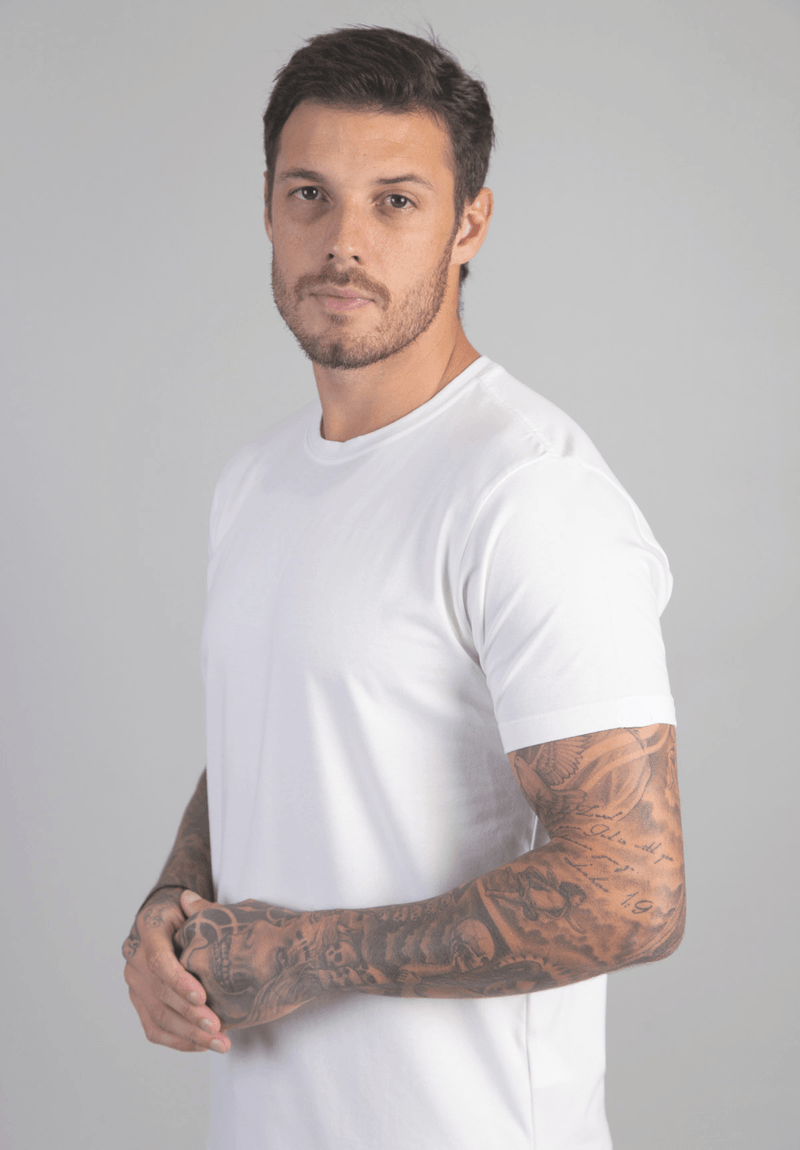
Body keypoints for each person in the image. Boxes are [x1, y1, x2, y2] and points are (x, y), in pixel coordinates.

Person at [122, 25, 685, 1150]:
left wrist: (305, 952)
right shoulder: (255, 481)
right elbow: (285, 723)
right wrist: (169, 904)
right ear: (268, 210)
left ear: (469, 223)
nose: (343, 242)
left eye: (394, 202)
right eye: (310, 195)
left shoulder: (526, 493)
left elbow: (632, 889)